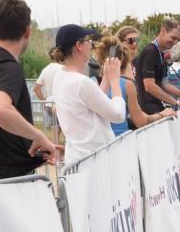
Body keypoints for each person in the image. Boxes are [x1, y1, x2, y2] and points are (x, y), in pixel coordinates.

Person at [0, 0, 56, 183]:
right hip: (7, 184)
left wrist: (38, 149)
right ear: (27, 31)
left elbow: (1, 138)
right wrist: (38, 135)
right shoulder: (9, 67)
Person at [50, 24, 126, 164]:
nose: (91, 44)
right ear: (79, 45)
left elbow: (93, 102)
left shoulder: (59, 75)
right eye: (88, 41)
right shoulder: (81, 82)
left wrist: (106, 78)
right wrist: (115, 81)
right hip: (94, 160)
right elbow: (118, 115)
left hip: (77, 157)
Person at [96, 35, 174, 135]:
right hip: (120, 139)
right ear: (123, 60)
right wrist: (162, 114)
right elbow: (140, 121)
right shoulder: (127, 85)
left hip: (100, 142)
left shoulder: (93, 81)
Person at [135, 19, 180, 114]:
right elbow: (149, 86)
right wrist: (176, 103)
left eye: (177, 40)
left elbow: (165, 84)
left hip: (156, 104)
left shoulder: (161, 53)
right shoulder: (151, 52)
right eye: (173, 38)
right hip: (147, 107)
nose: (174, 42)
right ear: (163, 31)